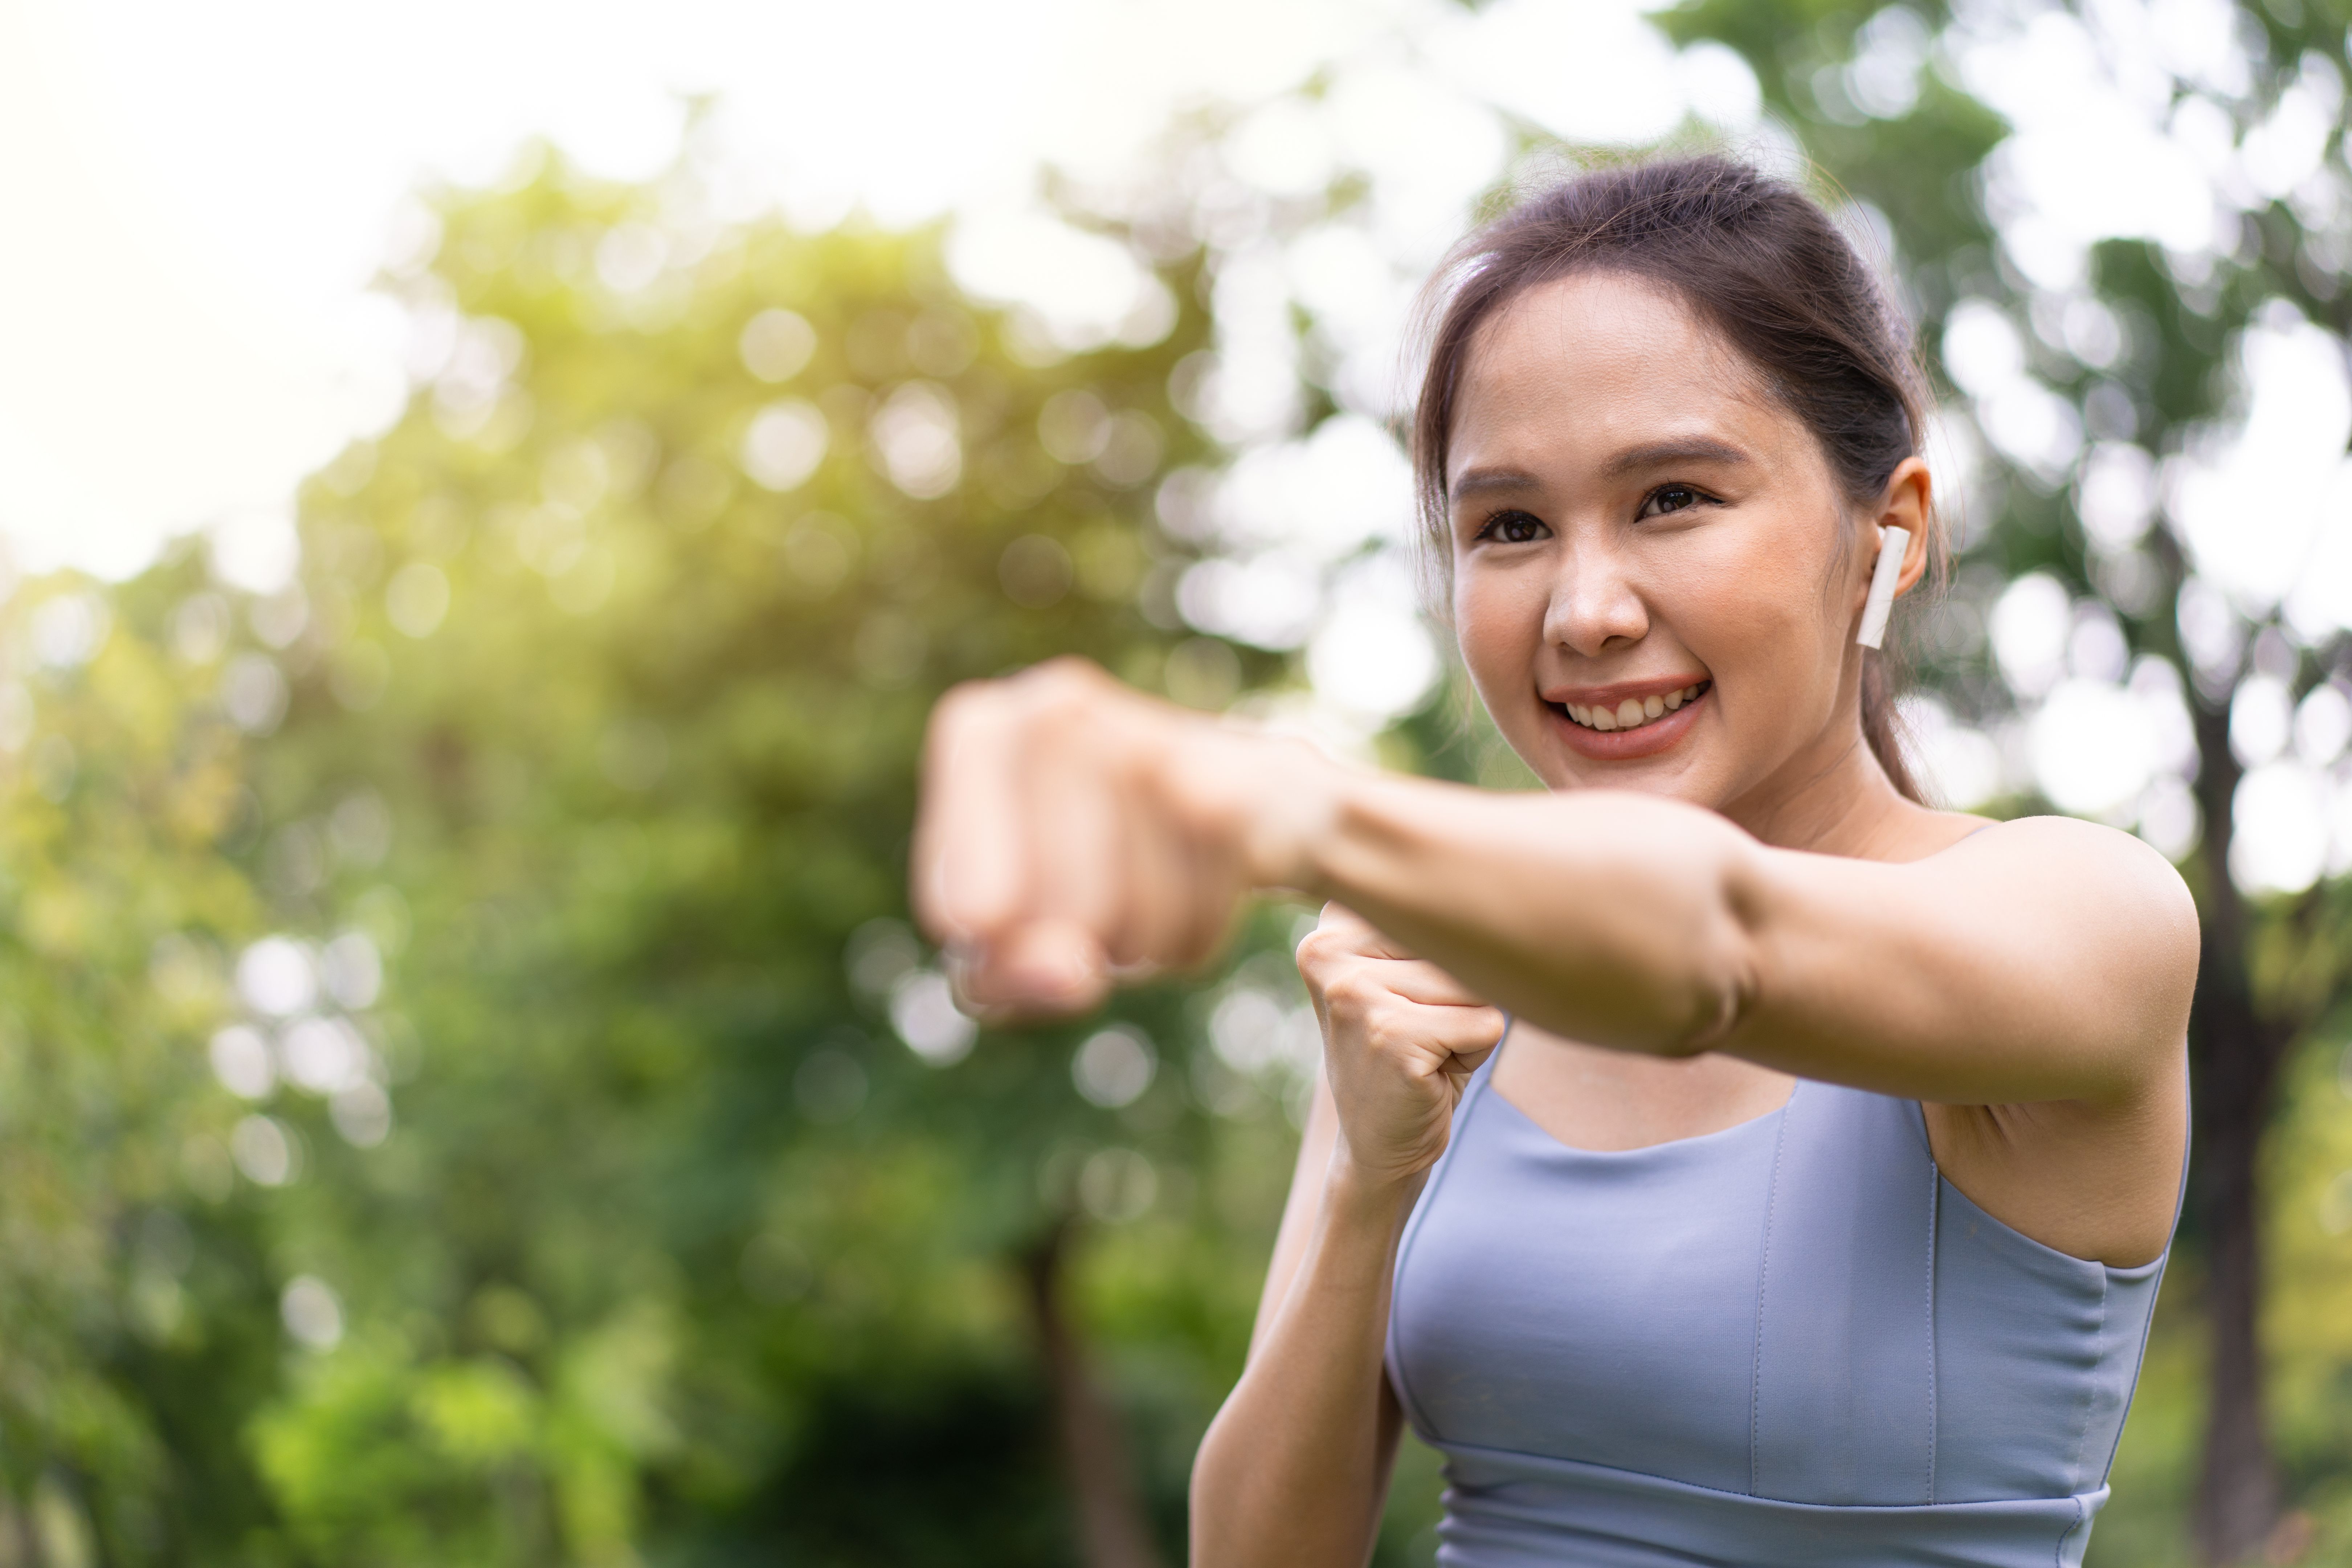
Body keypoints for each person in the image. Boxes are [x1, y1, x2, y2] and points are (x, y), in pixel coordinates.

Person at [912, 155, 2197, 1568]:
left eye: (1673, 498)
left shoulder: (2092, 918)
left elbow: (1718, 948)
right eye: (1511, 527)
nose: (1585, 613)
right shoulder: (1430, 974)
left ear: (1885, 536)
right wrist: (1370, 1183)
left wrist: (1299, 807)